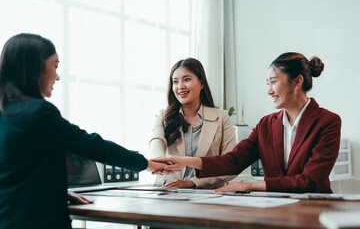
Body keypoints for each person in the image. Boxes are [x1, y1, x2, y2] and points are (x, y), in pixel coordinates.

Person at [0, 33, 166, 229]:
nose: (57, 76)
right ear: (35, 67)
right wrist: (145, 163)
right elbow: (91, 145)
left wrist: (56, 192)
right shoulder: (39, 113)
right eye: (55, 65)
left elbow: (16, 172)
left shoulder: (7, 113)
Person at [153, 52, 341, 193]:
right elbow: (232, 161)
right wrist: (185, 161)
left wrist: (251, 185)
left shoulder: (328, 122)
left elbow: (311, 180)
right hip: (275, 214)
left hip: (313, 213)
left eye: (273, 82)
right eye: (267, 83)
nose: (269, 90)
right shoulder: (266, 125)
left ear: (297, 82)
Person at [149, 57, 237, 189]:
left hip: (207, 193)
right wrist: (158, 161)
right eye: (175, 81)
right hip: (168, 190)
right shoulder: (163, 116)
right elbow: (156, 142)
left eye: (187, 79)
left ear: (201, 83)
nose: (180, 86)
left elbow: (231, 164)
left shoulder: (222, 118)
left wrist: (192, 183)